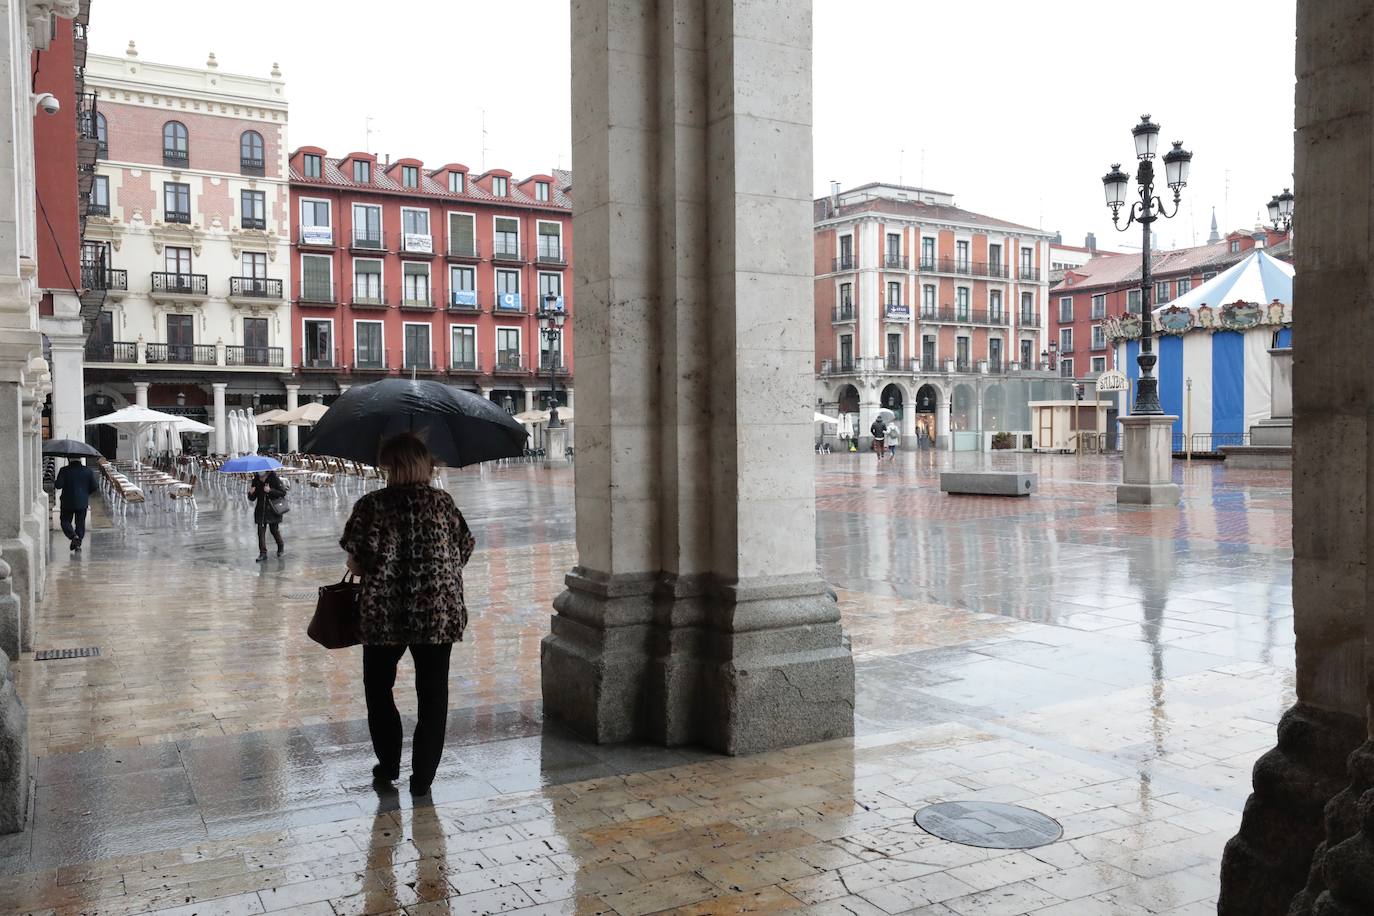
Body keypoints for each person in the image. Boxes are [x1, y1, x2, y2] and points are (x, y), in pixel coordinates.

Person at [340, 434, 475, 796]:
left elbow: (357, 559)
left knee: (379, 689)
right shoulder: (443, 504)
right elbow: (465, 548)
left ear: (392, 467)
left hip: (384, 614)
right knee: (434, 694)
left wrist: (368, 563)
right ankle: (423, 779)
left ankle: (388, 763)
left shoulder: (372, 506)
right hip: (437, 613)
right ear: (423, 465)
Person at [53, 457, 99, 551]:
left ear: (69, 459)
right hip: (82, 502)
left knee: (65, 521)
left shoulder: (64, 470)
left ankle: (73, 536)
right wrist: (85, 493)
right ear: (80, 460)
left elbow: (58, 485)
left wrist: (56, 480)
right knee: (80, 523)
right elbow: (94, 486)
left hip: (67, 502)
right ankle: (78, 543)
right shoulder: (87, 471)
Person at [247, 469, 287, 561]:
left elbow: (283, 492)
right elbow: (252, 498)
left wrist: (270, 490)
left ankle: (280, 546)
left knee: (274, 530)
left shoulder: (274, 478)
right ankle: (263, 553)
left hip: (273, 509)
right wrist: (251, 493)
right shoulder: (256, 479)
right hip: (261, 509)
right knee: (260, 532)